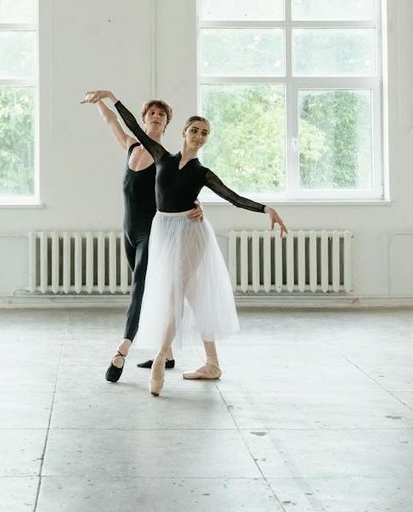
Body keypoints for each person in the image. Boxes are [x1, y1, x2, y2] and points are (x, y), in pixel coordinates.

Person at [81, 90, 287, 396]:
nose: (199, 136)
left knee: (176, 293)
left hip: (190, 234)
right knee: (189, 295)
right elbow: (129, 127)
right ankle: (213, 362)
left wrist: (266, 209)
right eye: (194, 130)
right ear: (183, 133)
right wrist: (111, 98)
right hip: (163, 230)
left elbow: (232, 196)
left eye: (204, 133)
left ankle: (160, 360)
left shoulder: (202, 172)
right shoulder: (160, 156)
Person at [91, 97, 202, 383]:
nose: (155, 117)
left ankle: (121, 350)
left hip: (151, 235)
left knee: (139, 288)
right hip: (128, 232)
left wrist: (198, 204)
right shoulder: (131, 146)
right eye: (151, 113)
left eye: (161, 115)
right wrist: (99, 100)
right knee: (156, 291)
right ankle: (169, 354)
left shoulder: (165, 157)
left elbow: (184, 184)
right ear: (143, 119)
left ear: (167, 123)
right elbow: (111, 122)